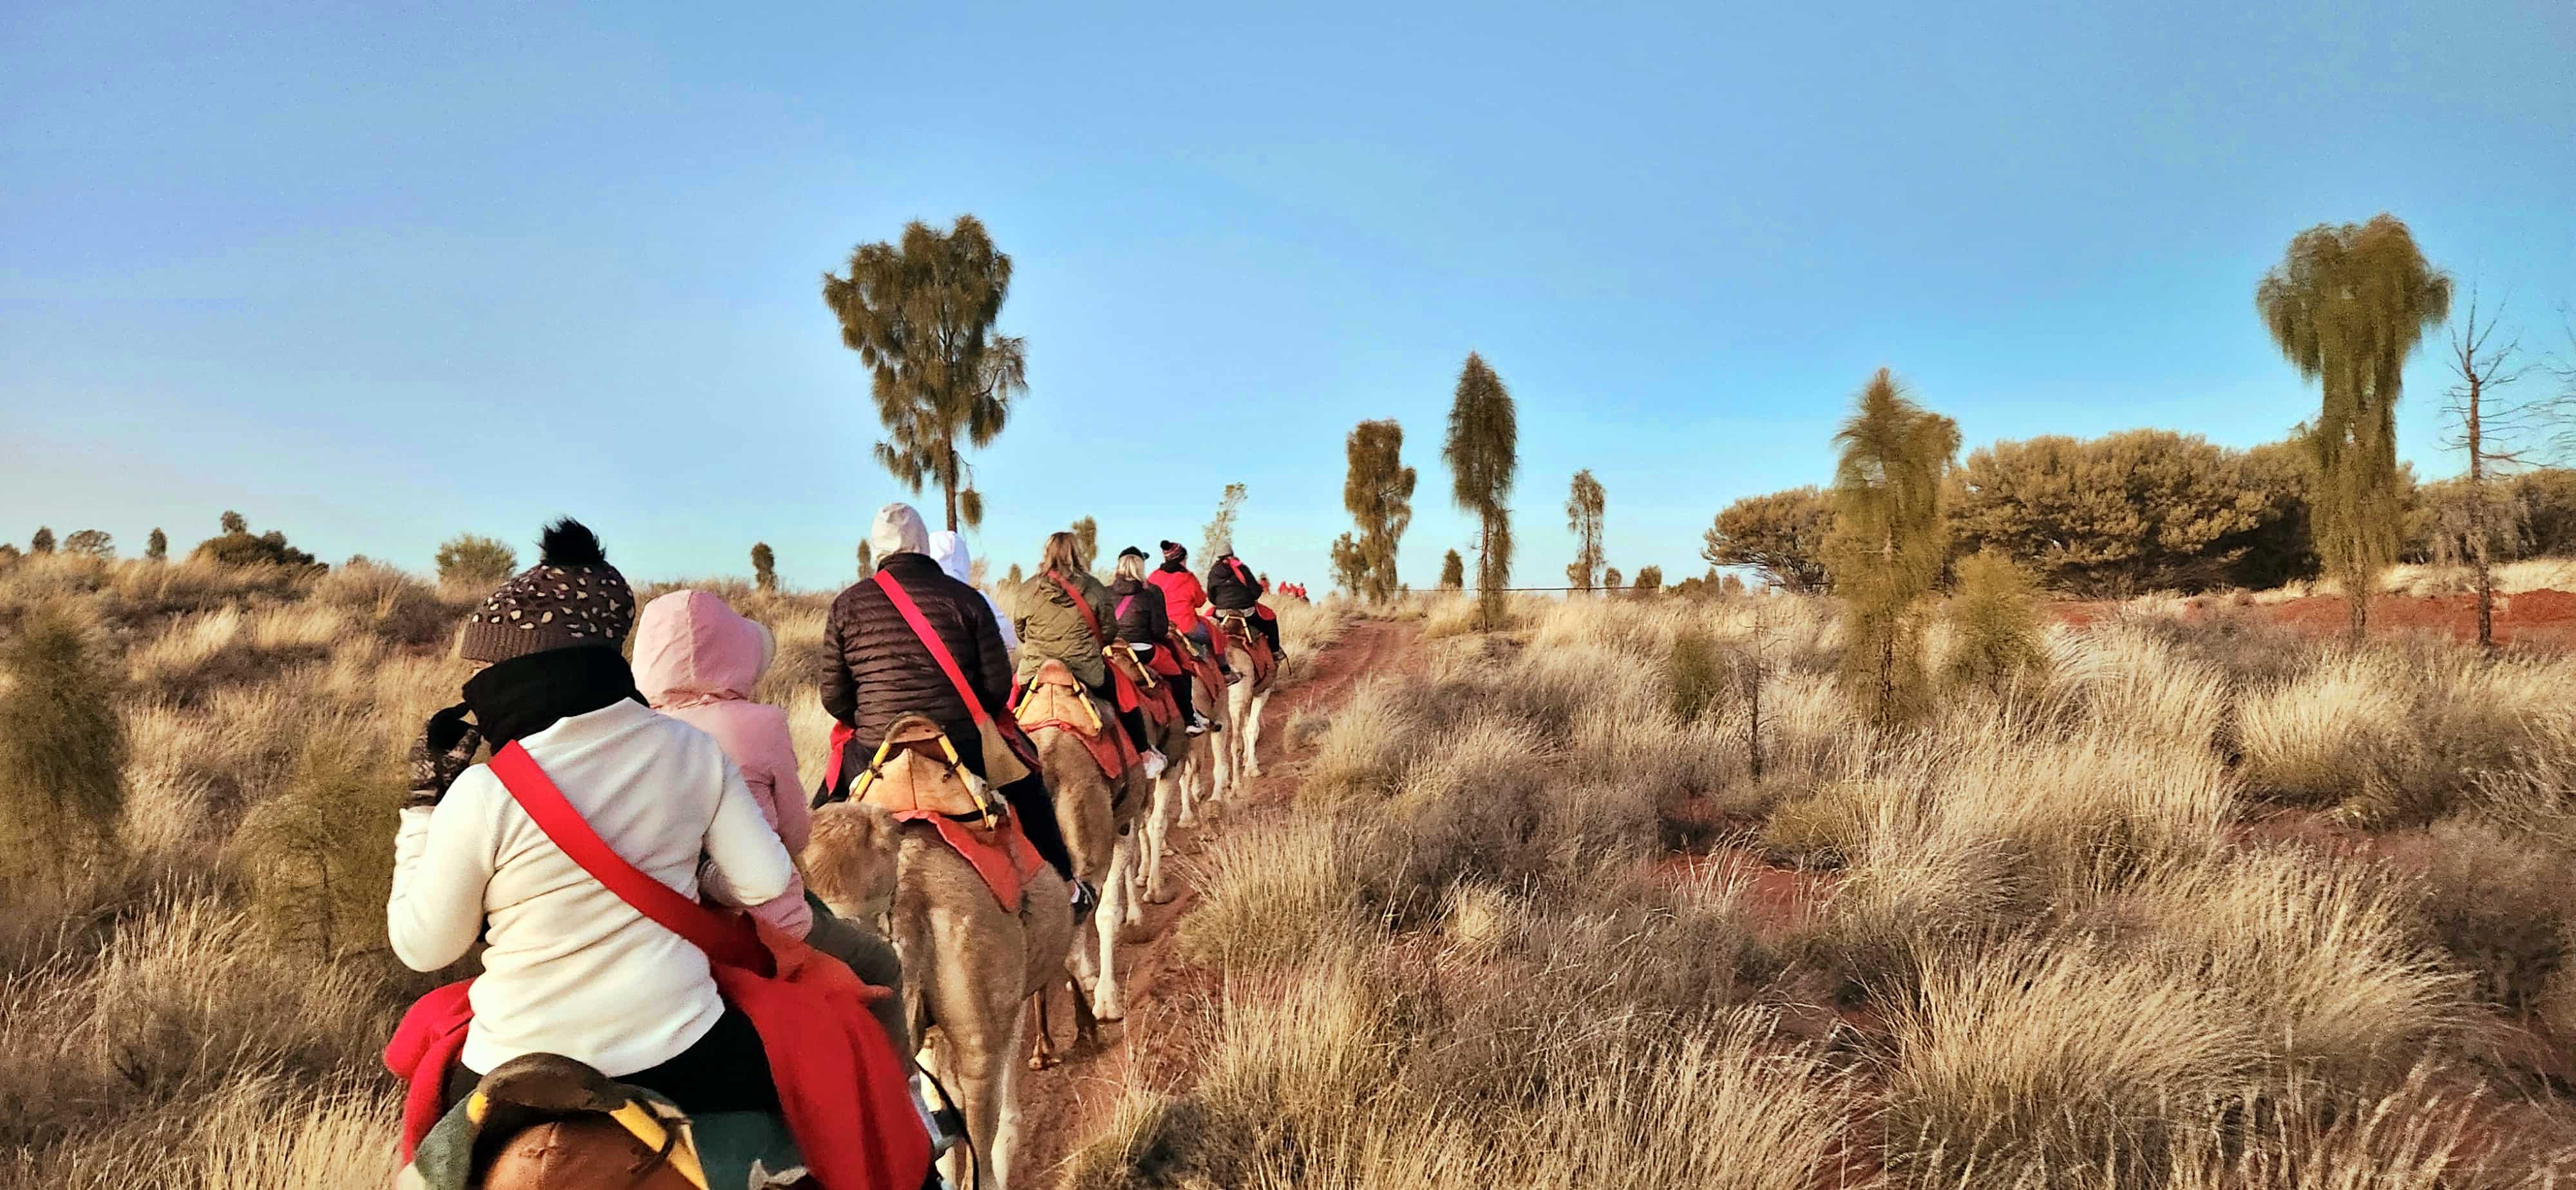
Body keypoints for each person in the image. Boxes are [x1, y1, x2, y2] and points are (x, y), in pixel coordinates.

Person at [390, 520, 790, 1115]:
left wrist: (425, 807)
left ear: (519, 671)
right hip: (682, 1046)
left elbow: (424, 948)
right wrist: (697, 868)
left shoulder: (484, 791)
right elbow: (766, 882)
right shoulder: (692, 750)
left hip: (515, 1059)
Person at [630, 589, 911, 1059]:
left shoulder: (635, 732)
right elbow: (796, 835)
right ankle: (908, 1103)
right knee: (880, 964)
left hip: (670, 928)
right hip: (767, 924)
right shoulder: (761, 723)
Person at [821, 504, 1083, 901]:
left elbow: (834, 697)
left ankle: (808, 909)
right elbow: (997, 687)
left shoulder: (846, 604)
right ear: (924, 547)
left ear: (877, 550)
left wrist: (875, 714)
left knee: (820, 821)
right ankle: (1066, 885)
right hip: (959, 745)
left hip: (875, 750)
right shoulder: (967, 599)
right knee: (1031, 792)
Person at [1015, 531, 1164, 777]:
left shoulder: (1027, 589)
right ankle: (1144, 753)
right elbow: (1108, 630)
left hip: (1036, 671)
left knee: (1009, 706)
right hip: (1086, 669)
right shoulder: (1093, 586)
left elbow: (1021, 631)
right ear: (1077, 553)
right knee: (1124, 692)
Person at [1111, 547, 1211, 735]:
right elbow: (1159, 631)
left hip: (1112, 652)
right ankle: (1190, 719)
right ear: (1140, 567)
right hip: (1143, 650)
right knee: (1180, 674)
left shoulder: (1105, 592)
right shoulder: (1152, 592)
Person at [930, 529, 1017, 660]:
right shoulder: (978, 600)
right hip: (966, 677)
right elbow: (1010, 641)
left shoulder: (910, 598)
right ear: (964, 559)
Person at [1148, 540, 1226, 675]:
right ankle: (1225, 671)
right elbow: (1200, 601)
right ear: (1181, 559)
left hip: (1161, 627)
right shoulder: (1188, 578)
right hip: (1187, 627)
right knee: (1216, 636)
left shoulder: (1153, 577)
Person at [1206, 548, 1287, 660]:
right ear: (1231, 553)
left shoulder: (1213, 572)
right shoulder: (1242, 568)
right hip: (1246, 612)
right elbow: (1256, 592)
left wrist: (1223, 603)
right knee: (1271, 621)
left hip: (1222, 613)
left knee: (1208, 625)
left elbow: (1211, 596)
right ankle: (1274, 651)